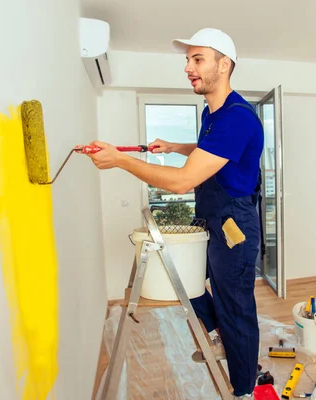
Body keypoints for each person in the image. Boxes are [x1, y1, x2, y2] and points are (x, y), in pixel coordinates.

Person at [84, 28, 264, 399]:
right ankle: (218, 339)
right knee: (192, 279)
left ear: (224, 64)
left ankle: (244, 390)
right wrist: (175, 146)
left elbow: (183, 183)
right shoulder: (213, 113)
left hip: (234, 224)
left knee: (236, 308)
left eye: (197, 59)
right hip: (211, 214)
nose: (187, 67)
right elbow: (209, 151)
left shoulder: (237, 117)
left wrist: (121, 160)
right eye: (187, 60)